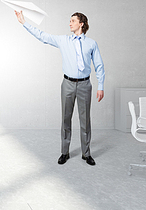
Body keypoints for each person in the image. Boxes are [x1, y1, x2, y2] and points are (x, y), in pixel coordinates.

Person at [15, 10, 105, 166]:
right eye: (69, 21)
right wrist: (24, 23)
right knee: (65, 119)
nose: (69, 23)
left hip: (85, 85)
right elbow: (42, 36)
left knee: (85, 121)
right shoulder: (63, 40)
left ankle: (86, 154)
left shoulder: (91, 43)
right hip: (67, 84)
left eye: (72, 21)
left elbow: (99, 65)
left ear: (81, 24)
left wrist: (101, 86)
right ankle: (65, 152)